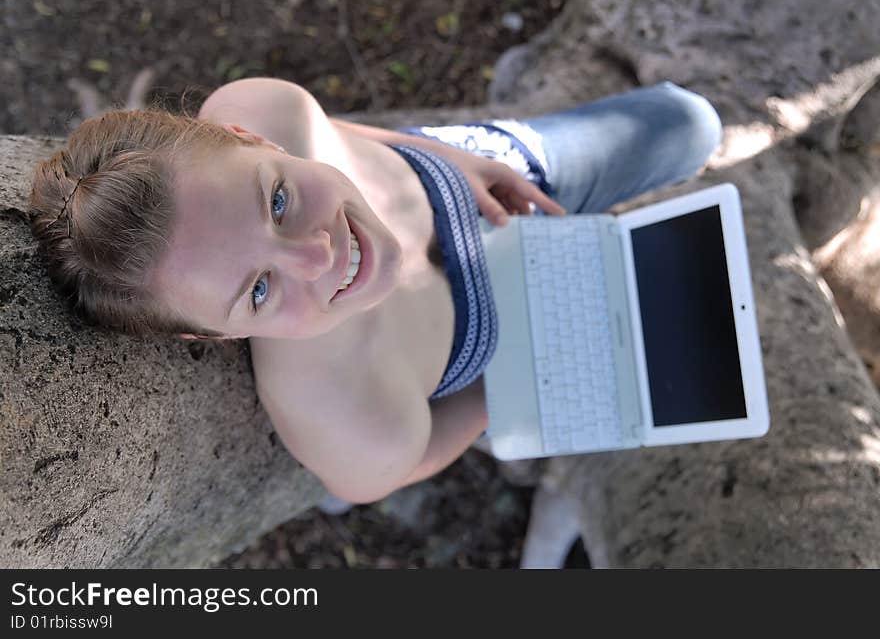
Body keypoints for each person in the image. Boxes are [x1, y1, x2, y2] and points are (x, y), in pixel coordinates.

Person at [28, 78, 722, 505]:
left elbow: (329, 125)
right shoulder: (355, 427)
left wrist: (452, 157)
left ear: (248, 136)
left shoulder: (261, 103)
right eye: (260, 289)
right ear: (211, 335)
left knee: (693, 125)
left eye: (276, 200)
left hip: (509, 178)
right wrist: (516, 382)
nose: (319, 254)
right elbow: (413, 455)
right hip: (540, 317)